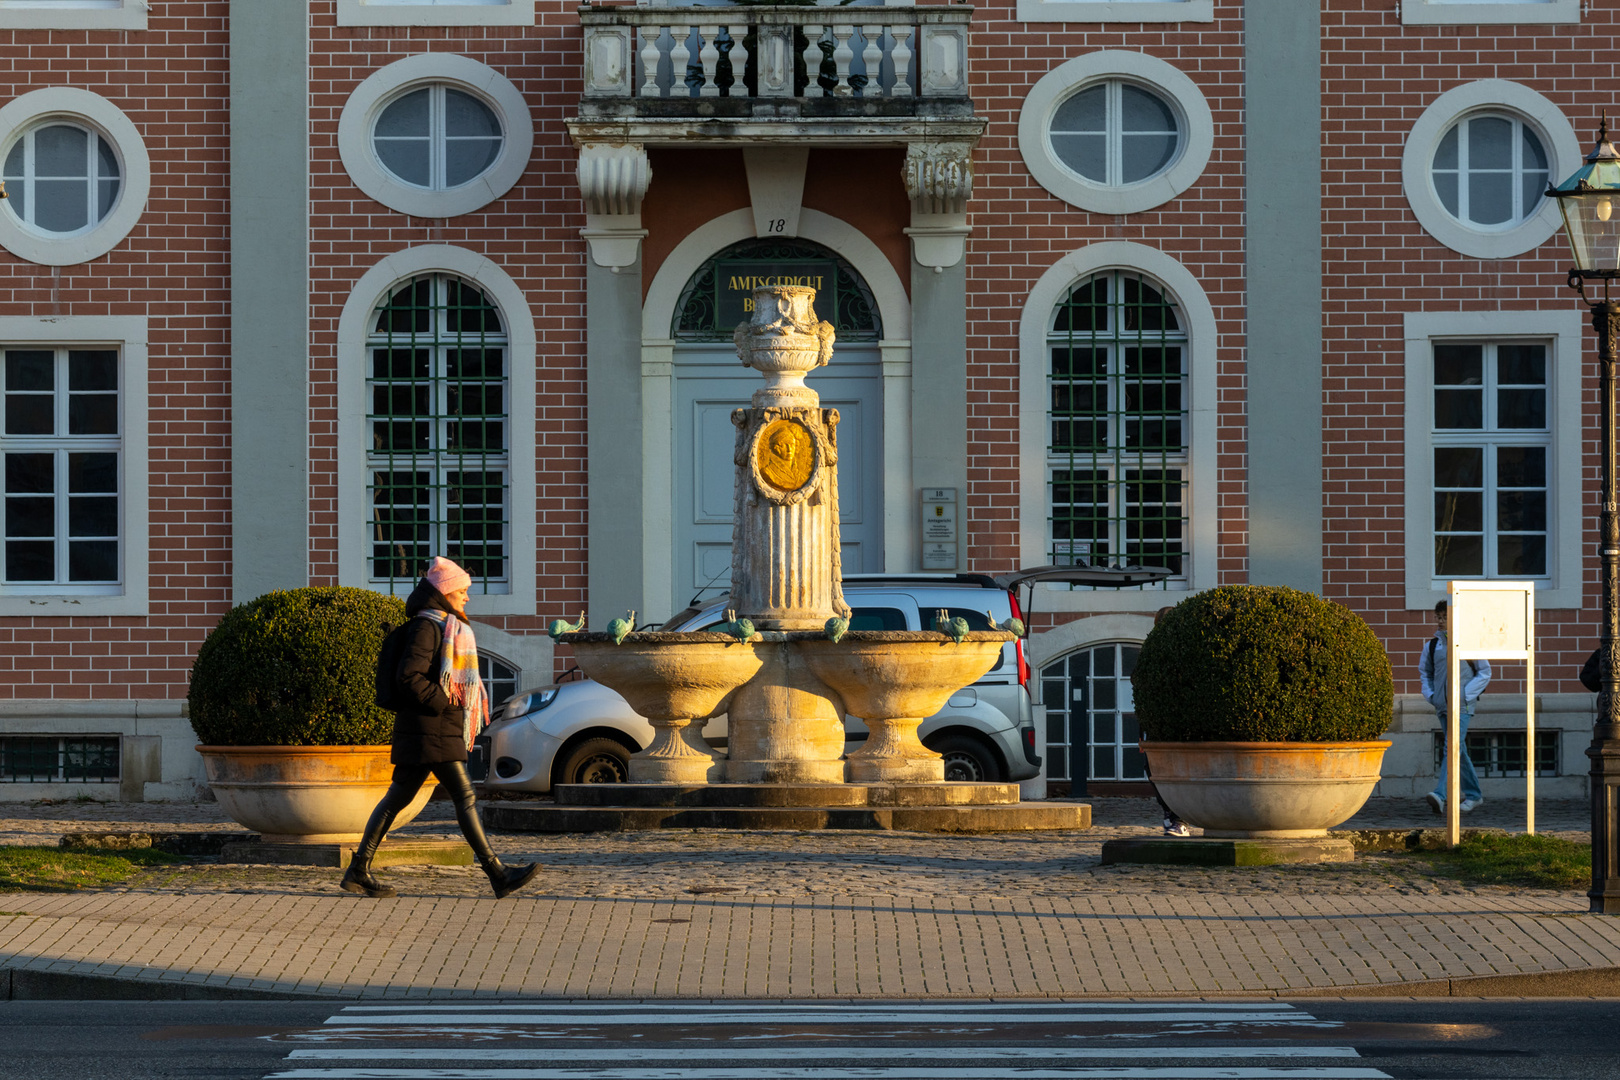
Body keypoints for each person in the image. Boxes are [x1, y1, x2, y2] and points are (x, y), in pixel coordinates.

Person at [341, 556, 540, 899]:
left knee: (397, 798)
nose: (467, 597)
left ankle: (359, 869)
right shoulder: (428, 627)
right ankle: (497, 873)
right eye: (462, 590)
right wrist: (446, 701)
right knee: (463, 796)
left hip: (431, 728)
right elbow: (409, 677)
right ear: (445, 592)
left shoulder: (444, 627)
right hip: (429, 728)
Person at [1419, 599, 1491, 815]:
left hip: (1462, 706)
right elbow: (1425, 672)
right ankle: (1474, 795)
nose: (1440, 621)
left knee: (1451, 747)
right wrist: (1431, 695)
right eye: (1438, 617)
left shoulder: (1469, 643)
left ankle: (1441, 795)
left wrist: (1464, 696)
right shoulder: (1432, 645)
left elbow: (1484, 672)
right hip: (1441, 705)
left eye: (1445, 617)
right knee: (1459, 750)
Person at [1145, 606, 1191, 837]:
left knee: (1165, 772)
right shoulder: (1152, 652)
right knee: (1156, 771)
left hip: (1172, 721)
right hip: (1158, 721)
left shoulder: (1182, 650)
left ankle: (1177, 818)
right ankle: (1172, 816)